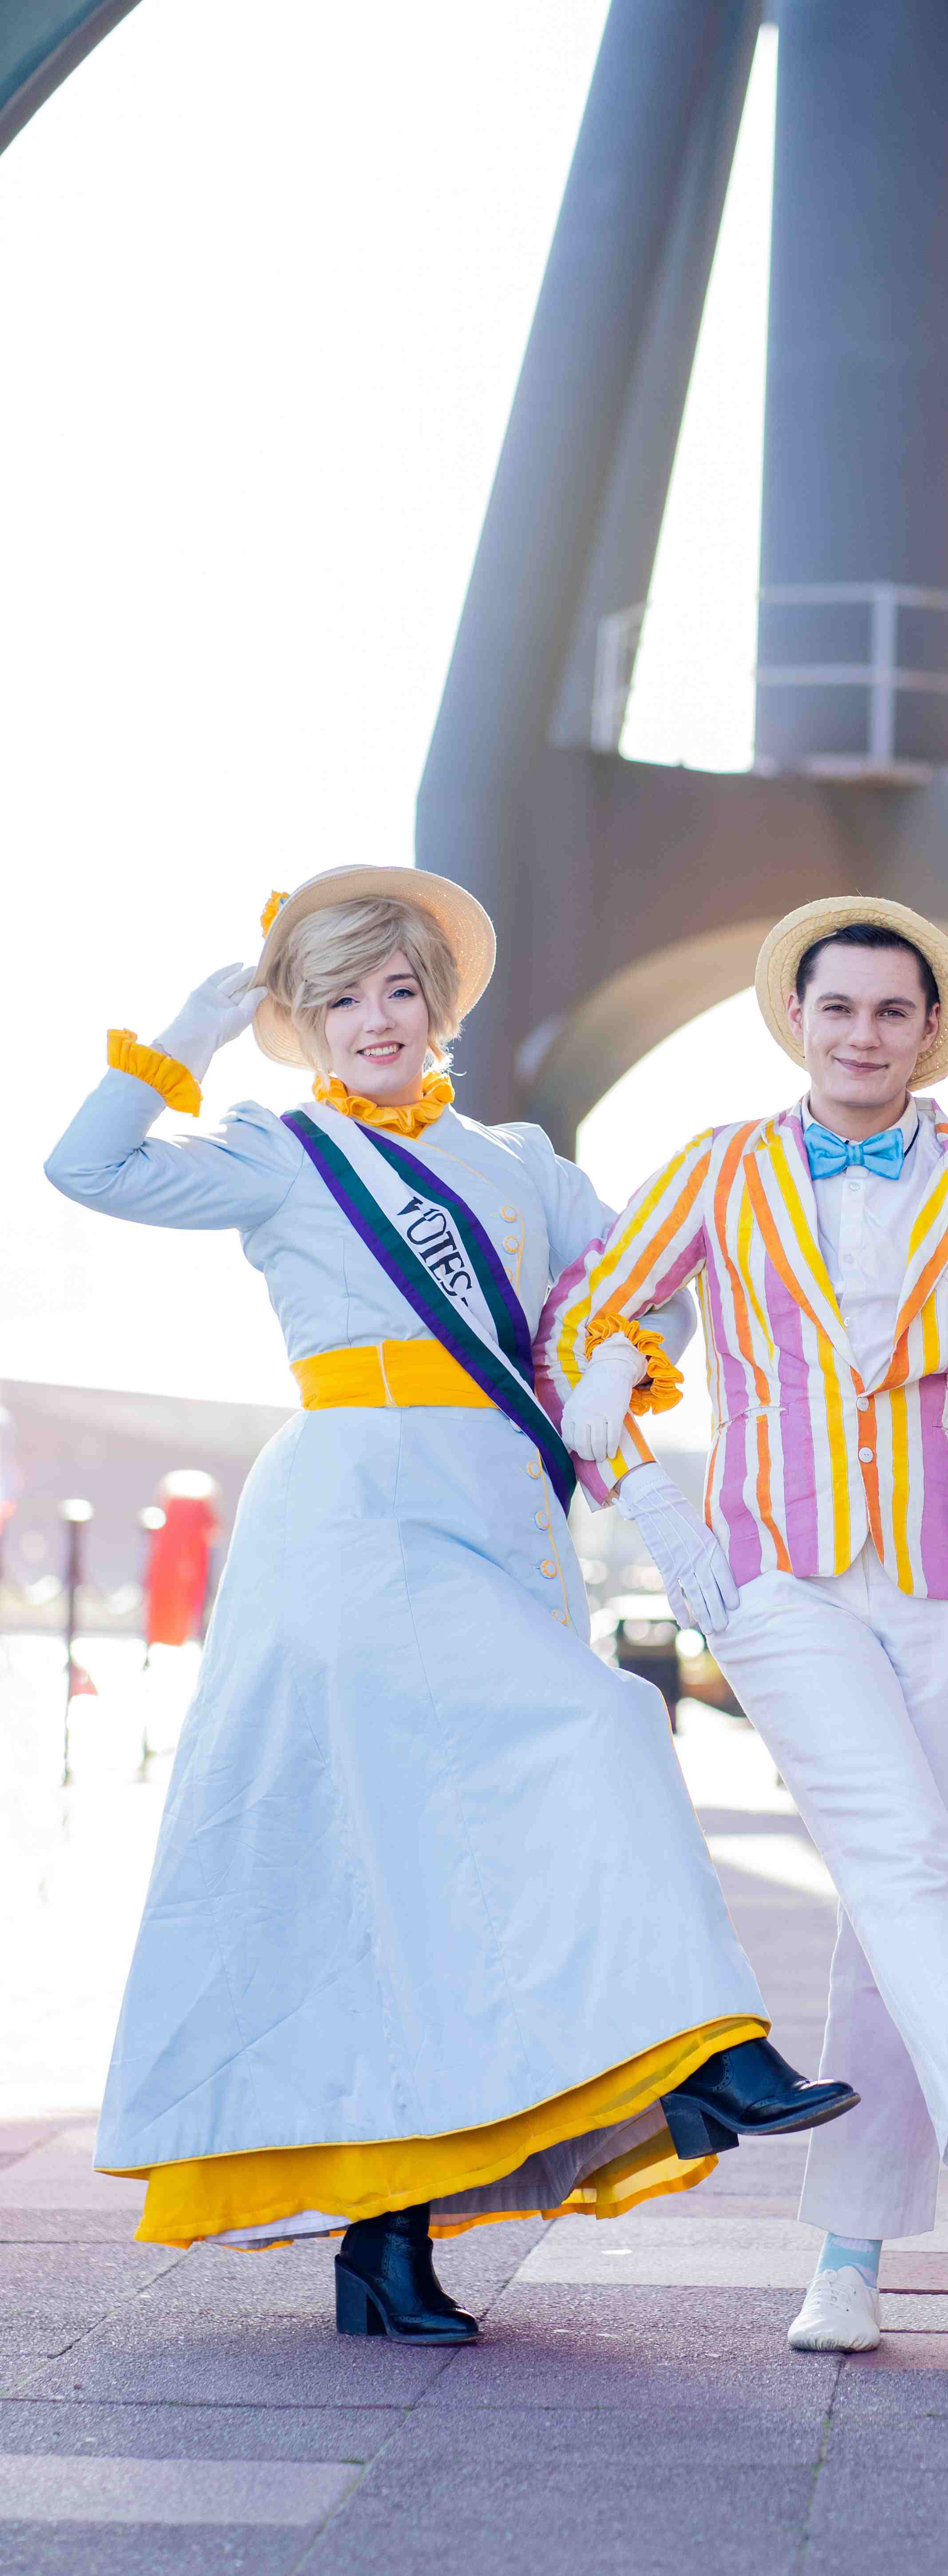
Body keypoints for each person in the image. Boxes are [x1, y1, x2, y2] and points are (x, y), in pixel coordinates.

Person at [44, 864, 852, 2346]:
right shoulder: (276, 1151)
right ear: (300, 1020)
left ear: (439, 1007)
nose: (373, 1020)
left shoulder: (522, 1165)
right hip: (352, 1523)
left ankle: (388, 2245)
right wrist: (183, 1032)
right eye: (337, 996)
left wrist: (622, 1354)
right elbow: (85, 1171)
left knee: (403, 1880)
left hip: (500, 1515)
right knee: (601, 1726)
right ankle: (710, 2049)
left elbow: (652, 1281)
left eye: (397, 991)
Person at [535, 897, 948, 2358]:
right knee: (895, 1856)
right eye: (840, 1010)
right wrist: (657, 1501)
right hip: (774, 1576)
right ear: (799, 1019)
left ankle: (848, 2253)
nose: (865, 1035)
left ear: (931, 1028)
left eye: (895, 1012)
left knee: (915, 1895)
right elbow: (591, 1333)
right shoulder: (716, 1171)